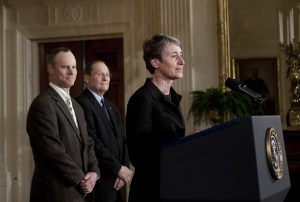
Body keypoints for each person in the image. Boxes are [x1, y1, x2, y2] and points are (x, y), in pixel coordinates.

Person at [26, 47, 100, 202]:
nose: (72, 72)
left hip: (80, 193)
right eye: (65, 67)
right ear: (50, 68)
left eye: (74, 67)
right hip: (56, 193)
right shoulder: (43, 104)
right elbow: (52, 151)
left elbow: (88, 143)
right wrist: (82, 179)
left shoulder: (76, 106)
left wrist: (94, 172)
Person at [126, 34, 186, 202]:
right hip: (151, 191)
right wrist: (183, 144)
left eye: (181, 55)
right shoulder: (142, 99)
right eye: (174, 56)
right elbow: (140, 153)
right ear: (155, 62)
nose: (182, 61)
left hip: (171, 185)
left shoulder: (172, 97)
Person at [76, 60, 133, 202]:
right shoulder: (81, 104)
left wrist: (124, 168)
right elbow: (93, 142)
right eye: (100, 74)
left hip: (119, 180)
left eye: (107, 74)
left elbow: (123, 139)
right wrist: (118, 168)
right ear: (87, 78)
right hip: (100, 180)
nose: (105, 78)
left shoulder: (111, 106)